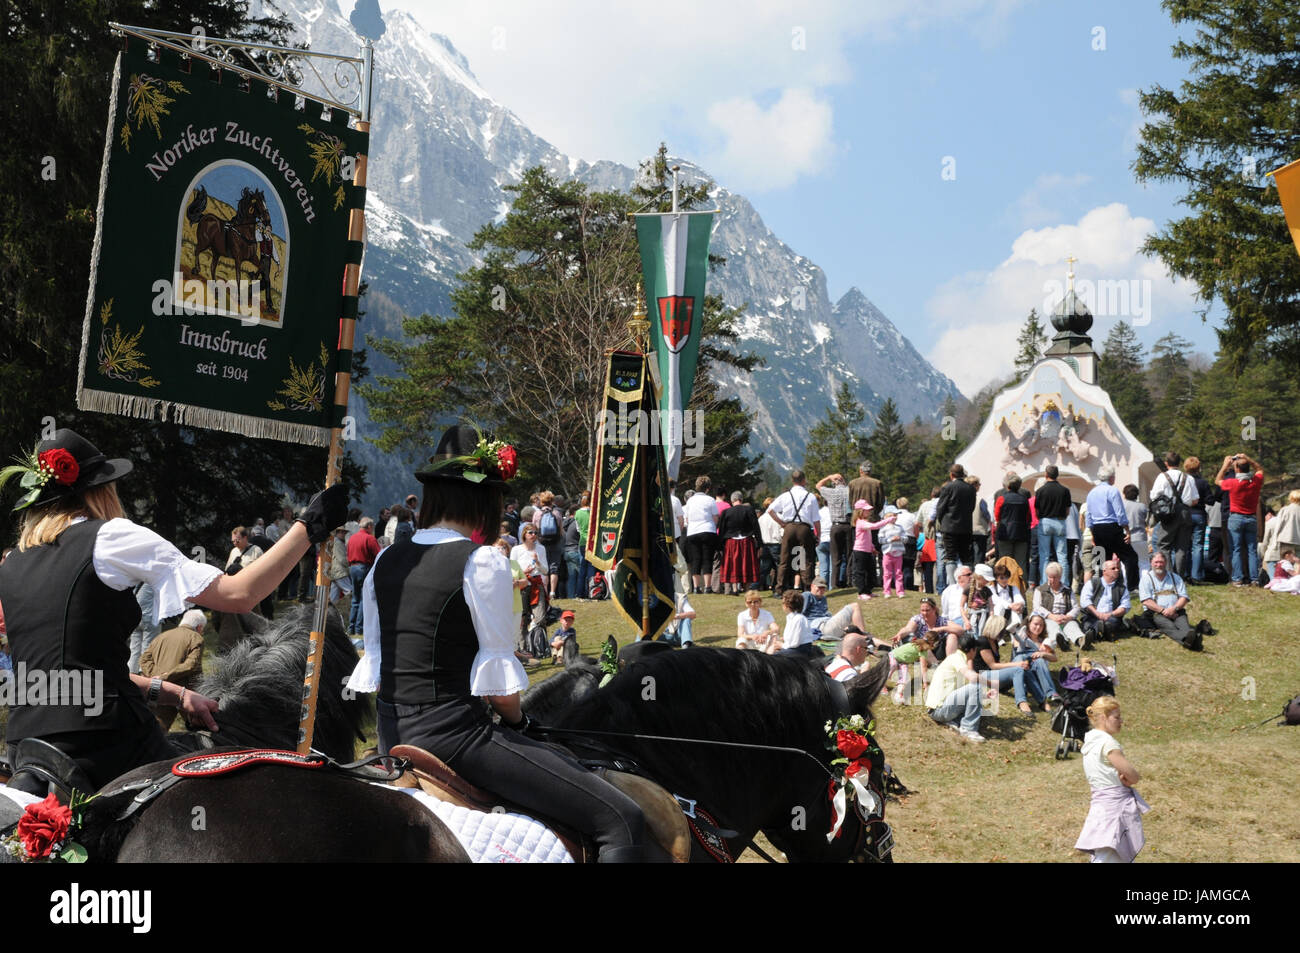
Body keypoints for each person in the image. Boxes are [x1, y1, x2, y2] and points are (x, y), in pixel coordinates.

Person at [345, 425, 651, 862]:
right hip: (456, 739)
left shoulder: (386, 560)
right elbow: (499, 691)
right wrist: (519, 722)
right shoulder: (482, 561)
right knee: (622, 820)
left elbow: (376, 665)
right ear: (484, 500)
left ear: (432, 496)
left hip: (390, 733)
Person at [0, 428, 344, 790]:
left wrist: (176, 694)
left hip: (26, 746)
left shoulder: (13, 564)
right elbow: (240, 593)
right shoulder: (112, 536)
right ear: (99, 491)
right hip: (106, 742)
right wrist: (309, 526)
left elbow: (77, 675)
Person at [1074, 696, 1149, 863]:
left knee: (1110, 853)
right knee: (1109, 854)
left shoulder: (1090, 742)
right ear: (1103, 718)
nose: (1121, 721)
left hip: (1101, 805)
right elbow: (1133, 775)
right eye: (1116, 717)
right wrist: (1131, 778)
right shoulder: (1107, 743)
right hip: (1114, 807)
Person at [139, 609, 208, 730]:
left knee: (157, 727)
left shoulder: (162, 636)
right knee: (200, 726)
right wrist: (163, 677)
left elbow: (144, 660)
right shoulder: (196, 638)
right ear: (199, 627)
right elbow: (191, 665)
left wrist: (156, 677)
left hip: (159, 689)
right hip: (186, 693)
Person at [924, 633, 988, 743]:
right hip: (939, 710)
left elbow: (964, 692)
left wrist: (984, 694)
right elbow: (972, 677)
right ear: (972, 650)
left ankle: (954, 720)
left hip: (937, 710)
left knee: (978, 704)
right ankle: (968, 729)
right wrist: (990, 683)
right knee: (976, 686)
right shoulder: (957, 658)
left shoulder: (955, 658)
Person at [1086, 466, 1140, 595]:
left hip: (1097, 528)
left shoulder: (1091, 493)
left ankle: (1102, 586)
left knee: (1102, 559)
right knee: (1130, 556)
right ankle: (1132, 587)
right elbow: (1120, 513)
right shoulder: (1112, 491)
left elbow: (1089, 515)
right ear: (1111, 477)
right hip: (1111, 526)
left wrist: (1092, 532)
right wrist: (1127, 530)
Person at [1137, 552, 1207, 650]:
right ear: (1151, 563)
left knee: (1185, 627)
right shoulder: (1146, 579)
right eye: (1156, 562)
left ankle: (1189, 641)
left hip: (1177, 611)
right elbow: (1146, 601)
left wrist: (1174, 609)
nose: (1159, 565)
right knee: (1169, 627)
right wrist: (1163, 611)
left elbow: (1184, 597)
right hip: (1156, 613)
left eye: (1161, 562)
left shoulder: (1176, 578)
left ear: (1165, 563)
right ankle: (1191, 642)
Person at [1215, 452, 1264, 587]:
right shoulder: (1255, 481)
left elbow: (1217, 480)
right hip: (1251, 517)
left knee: (1235, 549)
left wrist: (1225, 466)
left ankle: (1237, 579)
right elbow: (1259, 469)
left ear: (1237, 469)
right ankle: (1254, 579)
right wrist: (1248, 458)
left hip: (1236, 517)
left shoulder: (1233, 483)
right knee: (1251, 550)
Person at [769, 471, 821, 595]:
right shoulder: (810, 496)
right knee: (807, 559)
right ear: (804, 480)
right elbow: (816, 520)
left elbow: (770, 510)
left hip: (789, 527)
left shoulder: (785, 495)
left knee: (784, 559)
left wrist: (782, 523)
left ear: (792, 481)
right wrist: (818, 535)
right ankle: (807, 587)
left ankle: (780, 589)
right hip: (804, 528)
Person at [1149, 451, 1197, 578]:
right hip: (1186, 512)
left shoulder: (1162, 477)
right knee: (1182, 547)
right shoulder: (1189, 478)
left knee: (1163, 544)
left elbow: (1154, 496)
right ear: (1179, 463)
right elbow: (1195, 499)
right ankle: (1179, 577)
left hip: (1168, 513)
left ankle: (1169, 575)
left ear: (1166, 463)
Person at [934, 463, 976, 588]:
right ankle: (968, 583)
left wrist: (942, 521)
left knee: (950, 557)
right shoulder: (970, 488)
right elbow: (972, 507)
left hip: (949, 527)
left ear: (951, 474)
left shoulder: (948, 487)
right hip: (965, 527)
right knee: (966, 557)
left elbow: (940, 508)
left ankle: (953, 585)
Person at [1008, 614, 1061, 711]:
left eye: (1041, 625)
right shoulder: (1021, 636)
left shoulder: (1044, 641)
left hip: (1038, 671)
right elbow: (1018, 651)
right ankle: (1034, 699)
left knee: (1040, 660)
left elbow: (1054, 658)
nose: (1038, 627)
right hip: (1021, 665)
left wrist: (1043, 654)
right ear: (1028, 624)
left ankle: (1051, 693)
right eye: (1035, 624)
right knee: (1023, 658)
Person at [510, 523, 549, 655]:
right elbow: (511, 569)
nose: (533, 535)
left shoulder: (541, 549)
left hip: (536, 584)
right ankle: (523, 648)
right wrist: (523, 571)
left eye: (535, 533)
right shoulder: (516, 550)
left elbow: (545, 571)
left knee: (540, 617)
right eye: (530, 533)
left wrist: (537, 562)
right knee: (522, 619)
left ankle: (541, 646)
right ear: (524, 535)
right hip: (522, 584)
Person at [1031, 562, 1087, 650]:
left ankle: (1081, 640)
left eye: (1054, 577)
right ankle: (1062, 642)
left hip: (1064, 618)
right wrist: (1051, 616)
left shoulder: (1068, 590)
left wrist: (1068, 617)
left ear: (1060, 577)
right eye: (1050, 577)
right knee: (1053, 627)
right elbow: (1037, 607)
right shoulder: (1040, 590)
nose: (1052, 580)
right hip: (1048, 618)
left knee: (1072, 626)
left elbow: (1076, 607)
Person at [1034, 465, 1073, 589]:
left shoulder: (1040, 491)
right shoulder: (1065, 490)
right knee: (1062, 556)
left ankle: (1045, 584)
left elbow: (1037, 510)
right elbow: (1067, 510)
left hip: (1045, 521)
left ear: (1046, 475)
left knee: (1044, 555)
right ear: (1057, 475)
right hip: (1060, 522)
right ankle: (1065, 583)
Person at [893, 597, 966, 663]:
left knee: (952, 636)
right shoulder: (917, 619)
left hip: (938, 649)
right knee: (913, 639)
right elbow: (908, 629)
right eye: (922, 610)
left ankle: (950, 663)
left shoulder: (942, 620)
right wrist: (900, 634)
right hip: (923, 651)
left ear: (934, 609)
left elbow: (961, 630)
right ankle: (934, 663)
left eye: (927, 610)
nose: (925, 613)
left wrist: (942, 628)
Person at [717, 491, 761, 595]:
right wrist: (759, 543)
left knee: (733, 565)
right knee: (747, 564)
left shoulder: (726, 512)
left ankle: (735, 589)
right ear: (741, 499)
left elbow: (721, 530)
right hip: (746, 541)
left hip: (731, 542)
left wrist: (720, 545)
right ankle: (747, 589)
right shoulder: (749, 509)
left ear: (732, 501)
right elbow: (756, 527)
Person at [682, 476, 720, 595]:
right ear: (707, 489)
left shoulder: (690, 501)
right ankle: (708, 587)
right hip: (707, 530)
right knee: (707, 558)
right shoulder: (710, 500)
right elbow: (715, 517)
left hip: (693, 531)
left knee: (695, 559)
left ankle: (696, 587)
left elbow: (686, 518)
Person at [851, 500, 896, 599]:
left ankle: (868, 590)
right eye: (866, 510)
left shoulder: (864, 522)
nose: (869, 512)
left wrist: (872, 548)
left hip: (867, 551)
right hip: (860, 551)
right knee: (860, 572)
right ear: (860, 511)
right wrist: (888, 520)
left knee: (870, 571)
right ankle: (861, 592)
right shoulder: (860, 522)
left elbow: (867, 538)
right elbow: (875, 526)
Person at [816, 473, 853, 589]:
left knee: (835, 558)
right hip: (848, 525)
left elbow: (818, 485)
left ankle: (834, 584)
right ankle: (849, 581)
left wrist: (828, 477)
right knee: (849, 556)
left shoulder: (830, 493)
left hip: (835, 526)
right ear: (844, 482)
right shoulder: (850, 491)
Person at [1079, 558, 1130, 643]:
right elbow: (1085, 601)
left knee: (1110, 623)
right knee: (1090, 623)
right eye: (1113, 568)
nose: (1117, 570)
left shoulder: (1122, 588)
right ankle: (1097, 632)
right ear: (1104, 571)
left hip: (1111, 618)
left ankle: (1094, 634)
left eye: (1118, 568)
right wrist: (1097, 613)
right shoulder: (1092, 583)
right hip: (1092, 616)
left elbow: (1125, 607)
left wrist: (1110, 614)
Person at [993, 472, 1031, 583]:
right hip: (1021, 533)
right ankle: (1021, 584)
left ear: (1007, 485)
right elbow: (1028, 517)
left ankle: (1003, 582)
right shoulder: (1024, 499)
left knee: (1004, 560)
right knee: (1021, 562)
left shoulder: (1001, 498)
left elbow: (997, 516)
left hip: (1005, 533)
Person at [801, 577, 867, 642]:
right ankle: (863, 637)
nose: (821, 590)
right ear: (812, 586)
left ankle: (866, 638)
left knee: (853, 630)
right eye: (819, 587)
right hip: (820, 627)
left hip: (827, 625)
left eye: (823, 588)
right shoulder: (807, 595)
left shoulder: (823, 598)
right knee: (855, 606)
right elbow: (799, 614)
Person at [346, 517, 380, 637]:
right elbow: (378, 554)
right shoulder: (369, 538)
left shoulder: (352, 538)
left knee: (355, 599)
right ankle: (359, 628)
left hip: (352, 568)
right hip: (364, 568)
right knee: (363, 599)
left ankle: (351, 627)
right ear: (369, 526)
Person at [888, 633, 932, 705]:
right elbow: (923, 667)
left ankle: (898, 694)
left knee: (904, 679)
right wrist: (925, 683)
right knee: (889, 672)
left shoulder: (915, 643)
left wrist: (928, 663)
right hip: (893, 657)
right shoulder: (922, 651)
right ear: (932, 643)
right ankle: (878, 685)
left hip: (903, 662)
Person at [777, 588, 818, 657]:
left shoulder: (798, 619)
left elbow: (795, 643)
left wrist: (781, 645)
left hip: (801, 651)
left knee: (773, 658)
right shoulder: (791, 618)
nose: (782, 605)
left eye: (783, 603)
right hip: (794, 649)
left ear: (788, 605)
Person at [878, 505, 907, 597]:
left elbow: (906, 538)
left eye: (896, 515)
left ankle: (900, 591)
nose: (895, 517)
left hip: (898, 553)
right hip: (887, 553)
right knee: (887, 573)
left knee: (898, 573)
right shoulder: (883, 527)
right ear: (886, 517)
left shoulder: (900, 527)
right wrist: (891, 540)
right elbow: (880, 540)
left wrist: (900, 538)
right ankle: (887, 591)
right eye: (893, 515)